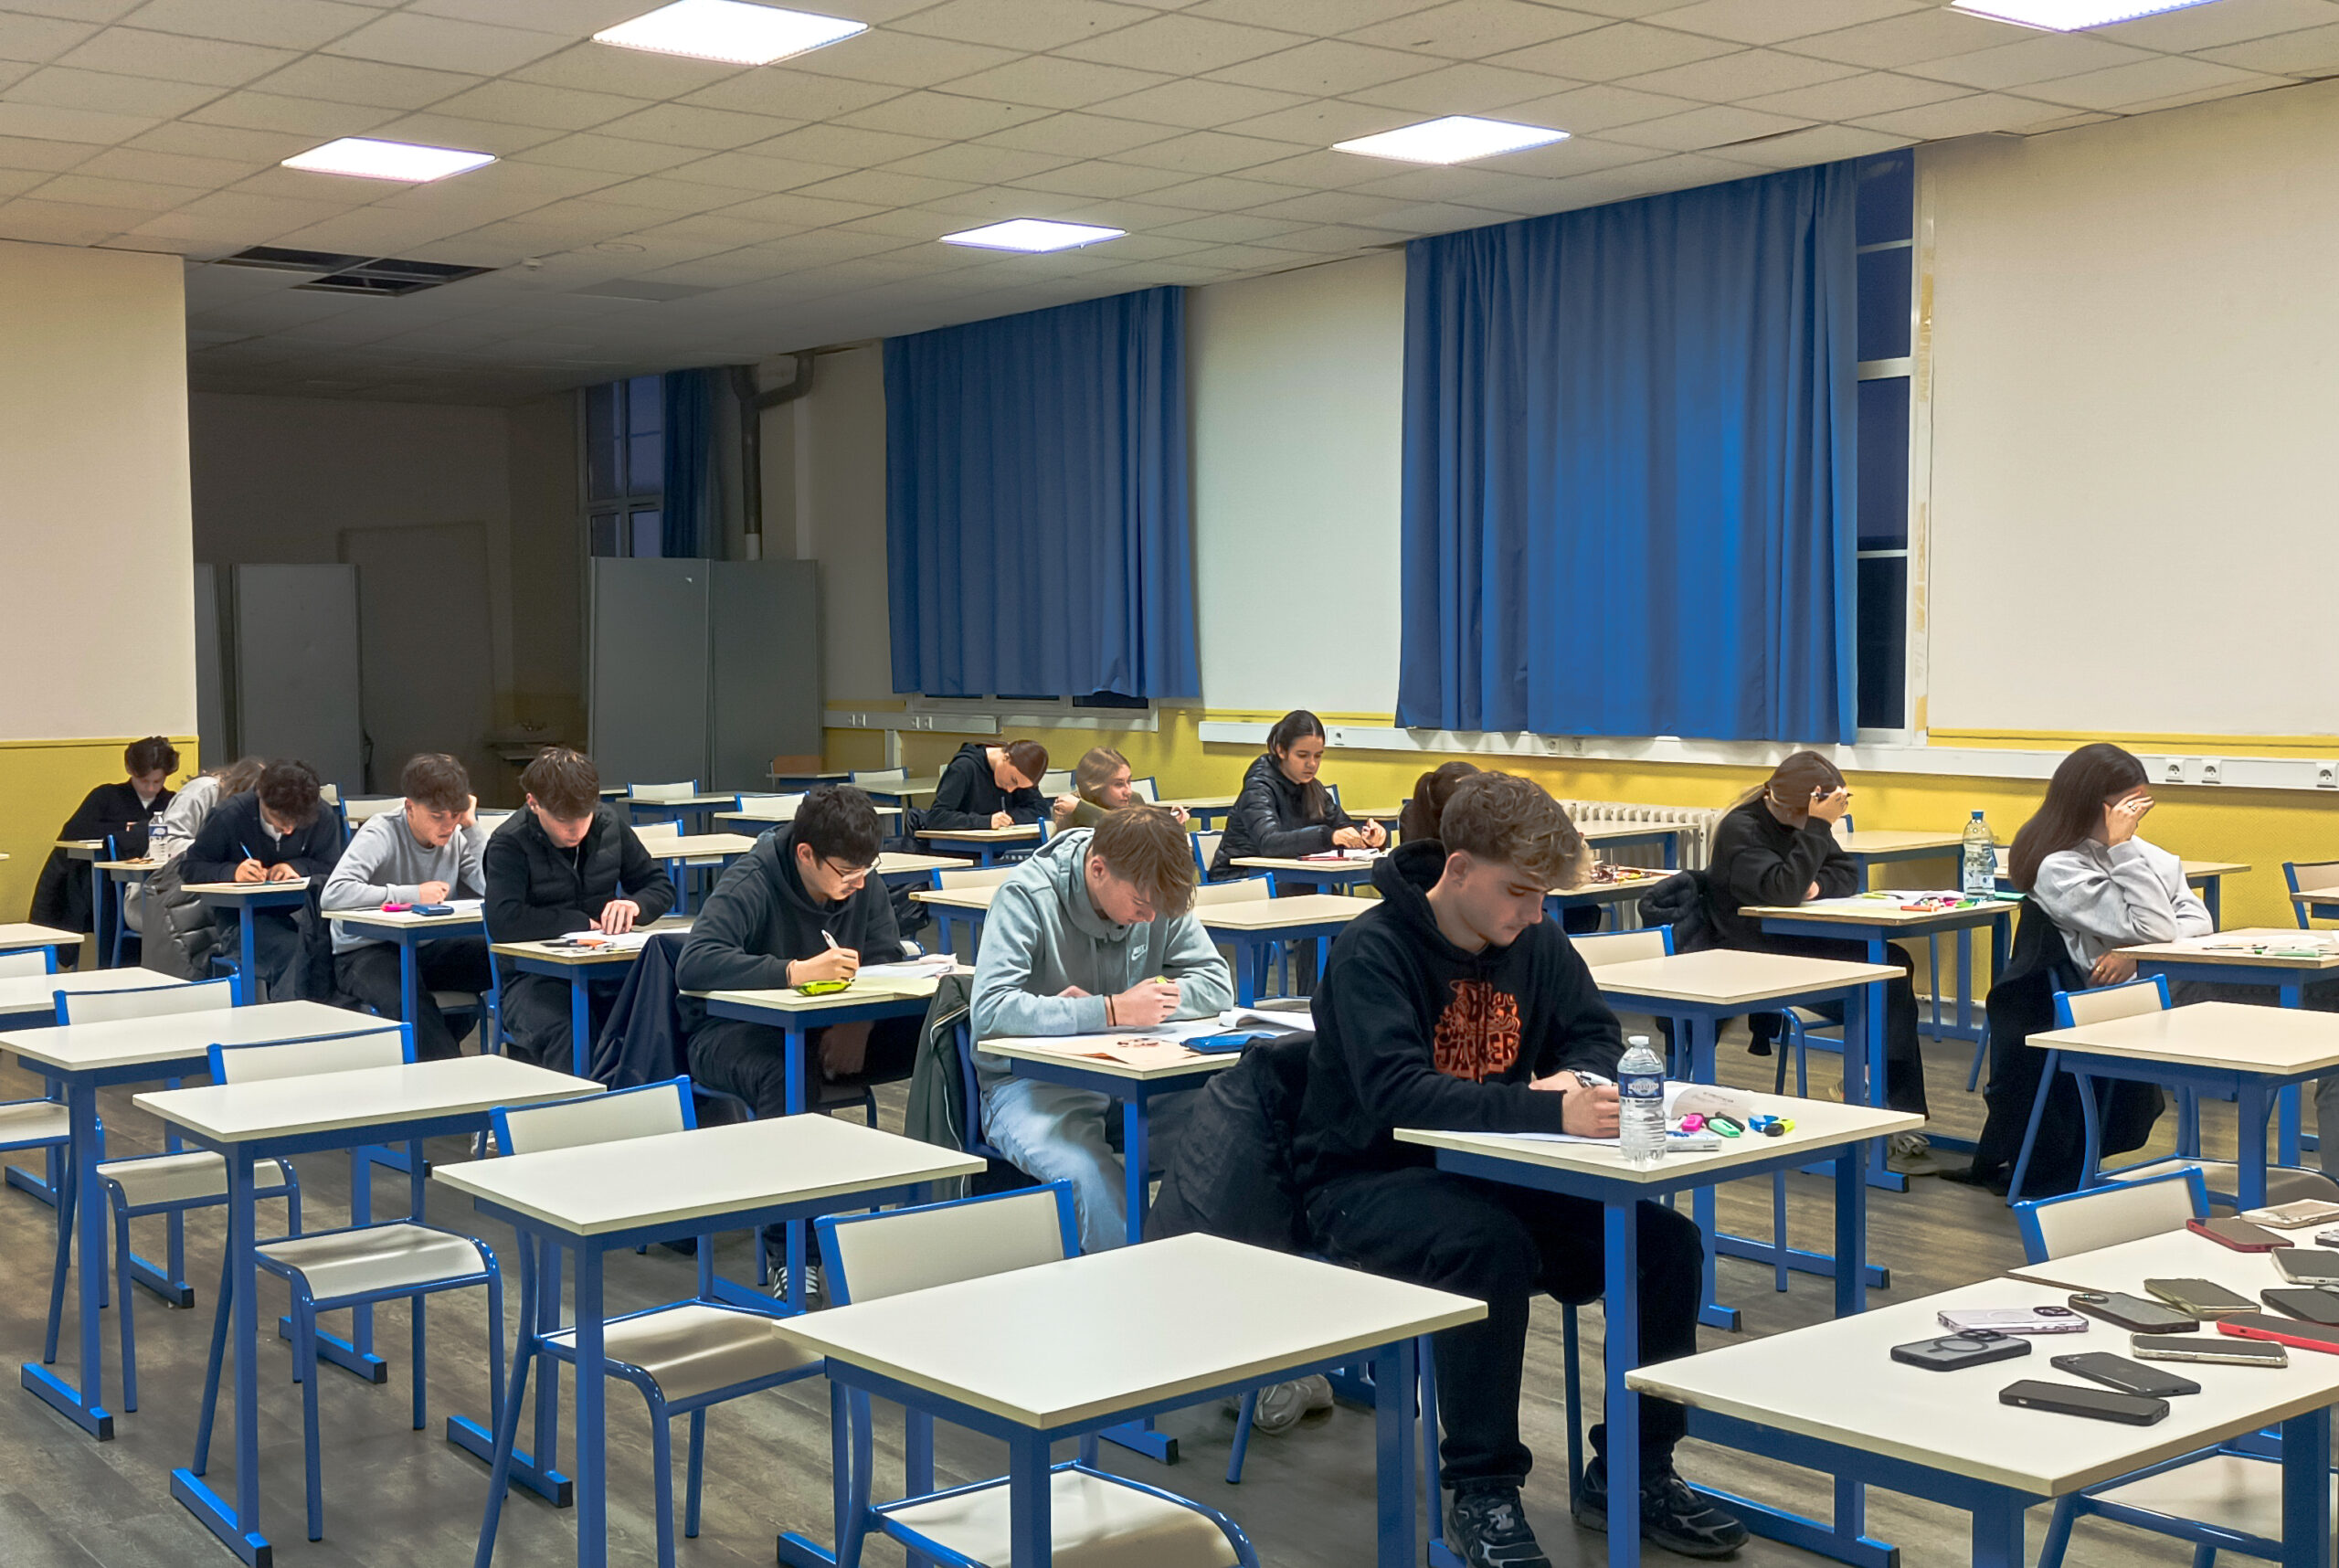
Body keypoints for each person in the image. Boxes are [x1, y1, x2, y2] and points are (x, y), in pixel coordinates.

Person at [1295, 771, 1744, 1565]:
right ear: (1459, 869)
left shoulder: (1534, 941)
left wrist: (1576, 1077)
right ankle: (1484, 1490)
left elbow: (1596, 1035)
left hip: (1497, 1167)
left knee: (1664, 1245)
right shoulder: (1374, 950)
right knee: (1486, 1246)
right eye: (1520, 892)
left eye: (1543, 896)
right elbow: (1397, 1094)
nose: (1536, 913)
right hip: (1367, 1178)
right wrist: (1548, 1111)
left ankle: (1635, 1470)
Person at [676, 785, 915, 1296]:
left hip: (831, 1030)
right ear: (806, 854)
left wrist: (858, 1025)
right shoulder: (753, 879)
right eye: (846, 874)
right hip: (734, 1035)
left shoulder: (860, 879)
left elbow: (885, 958)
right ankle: (793, 1253)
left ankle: (941, 1216)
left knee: (942, 1034)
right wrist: (792, 971)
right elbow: (695, 962)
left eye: (866, 871)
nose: (858, 883)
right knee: (788, 1075)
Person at [970, 805, 1232, 1255]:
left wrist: (1151, 1003)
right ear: (1098, 869)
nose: (1150, 919)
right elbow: (990, 1011)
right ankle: (1137, 1287)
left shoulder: (1155, 891)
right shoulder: (1027, 895)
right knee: (1090, 1178)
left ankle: (1214, 1271)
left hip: (1137, 1079)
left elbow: (1217, 985)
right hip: (1035, 1085)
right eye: (1141, 906)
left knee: (1238, 1129)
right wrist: (1108, 1010)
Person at [1961, 744, 2204, 1192]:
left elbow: (2197, 921)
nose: (2138, 815)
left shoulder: (2154, 857)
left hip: (2144, 986)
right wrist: (2123, 851)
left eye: (2142, 803)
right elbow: (2155, 926)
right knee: (2227, 1000)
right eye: (2128, 805)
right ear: (2097, 804)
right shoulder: (2059, 866)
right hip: (2105, 1002)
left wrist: (2132, 953)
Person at [1700, 751, 1930, 1155]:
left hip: (1798, 941)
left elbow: (1846, 873)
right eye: (1812, 817)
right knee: (1882, 986)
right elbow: (1782, 889)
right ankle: (1882, 1098)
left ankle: (1878, 1090)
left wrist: (1816, 885)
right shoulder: (1743, 828)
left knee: (1892, 963)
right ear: (1793, 807)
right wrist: (1818, 828)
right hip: (1754, 953)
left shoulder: (1803, 825)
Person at [483, 747, 677, 1070]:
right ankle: (587, 1102)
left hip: (609, 972)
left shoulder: (608, 824)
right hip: (532, 980)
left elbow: (659, 885)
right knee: (573, 1032)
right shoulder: (509, 842)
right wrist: (580, 922)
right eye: (562, 820)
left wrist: (635, 905)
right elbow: (504, 921)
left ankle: (656, 1099)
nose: (575, 830)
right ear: (533, 803)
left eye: (584, 817)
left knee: (668, 1016)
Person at [323, 753, 492, 1062]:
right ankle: (445, 1075)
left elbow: (491, 889)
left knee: (503, 959)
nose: (447, 825)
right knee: (409, 998)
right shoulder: (381, 831)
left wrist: (471, 827)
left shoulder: (458, 834)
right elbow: (334, 894)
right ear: (410, 807)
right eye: (437, 816)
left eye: (455, 814)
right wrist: (411, 894)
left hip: (425, 947)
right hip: (365, 951)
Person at [183, 759, 343, 1001]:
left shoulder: (321, 814)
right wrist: (232, 873)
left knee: (338, 953)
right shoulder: (230, 815)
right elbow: (191, 867)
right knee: (296, 954)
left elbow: (334, 868)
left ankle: (332, 1018)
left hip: (305, 917)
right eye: (279, 817)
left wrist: (297, 867)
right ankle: (291, 1020)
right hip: (243, 923)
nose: (288, 829)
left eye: (297, 821)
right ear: (260, 796)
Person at [29, 736, 181, 933]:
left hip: (153, 889)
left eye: (158, 781)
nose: (151, 788)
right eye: (144, 781)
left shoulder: (171, 801)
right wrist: (126, 828)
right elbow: (74, 830)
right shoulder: (107, 796)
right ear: (129, 770)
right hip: (106, 888)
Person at [1210, 709, 1383, 878]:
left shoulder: (1313, 787)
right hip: (1241, 878)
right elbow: (1269, 843)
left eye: (1318, 756)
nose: (1312, 764)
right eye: (1302, 755)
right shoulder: (1258, 787)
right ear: (1281, 751)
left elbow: (1343, 828)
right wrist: (1329, 837)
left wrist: (1368, 837)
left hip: (1288, 877)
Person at [131, 756, 265, 937]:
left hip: (213, 895)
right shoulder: (203, 790)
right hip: (155, 897)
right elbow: (169, 840)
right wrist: (214, 851)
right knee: (237, 923)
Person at [1050, 747, 1189, 832]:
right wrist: (1081, 809)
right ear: (1096, 788)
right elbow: (1122, 831)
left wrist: (1174, 824)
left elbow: (1140, 831)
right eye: (1118, 784)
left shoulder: (1134, 799)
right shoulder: (1073, 810)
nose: (1128, 791)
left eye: (1129, 781)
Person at [924, 740, 1048, 831]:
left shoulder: (1020, 776)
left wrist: (1006, 819)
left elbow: (1041, 811)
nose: (1011, 790)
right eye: (1013, 780)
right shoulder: (964, 767)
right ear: (1006, 758)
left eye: (1020, 787)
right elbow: (936, 817)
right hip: (960, 849)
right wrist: (986, 821)